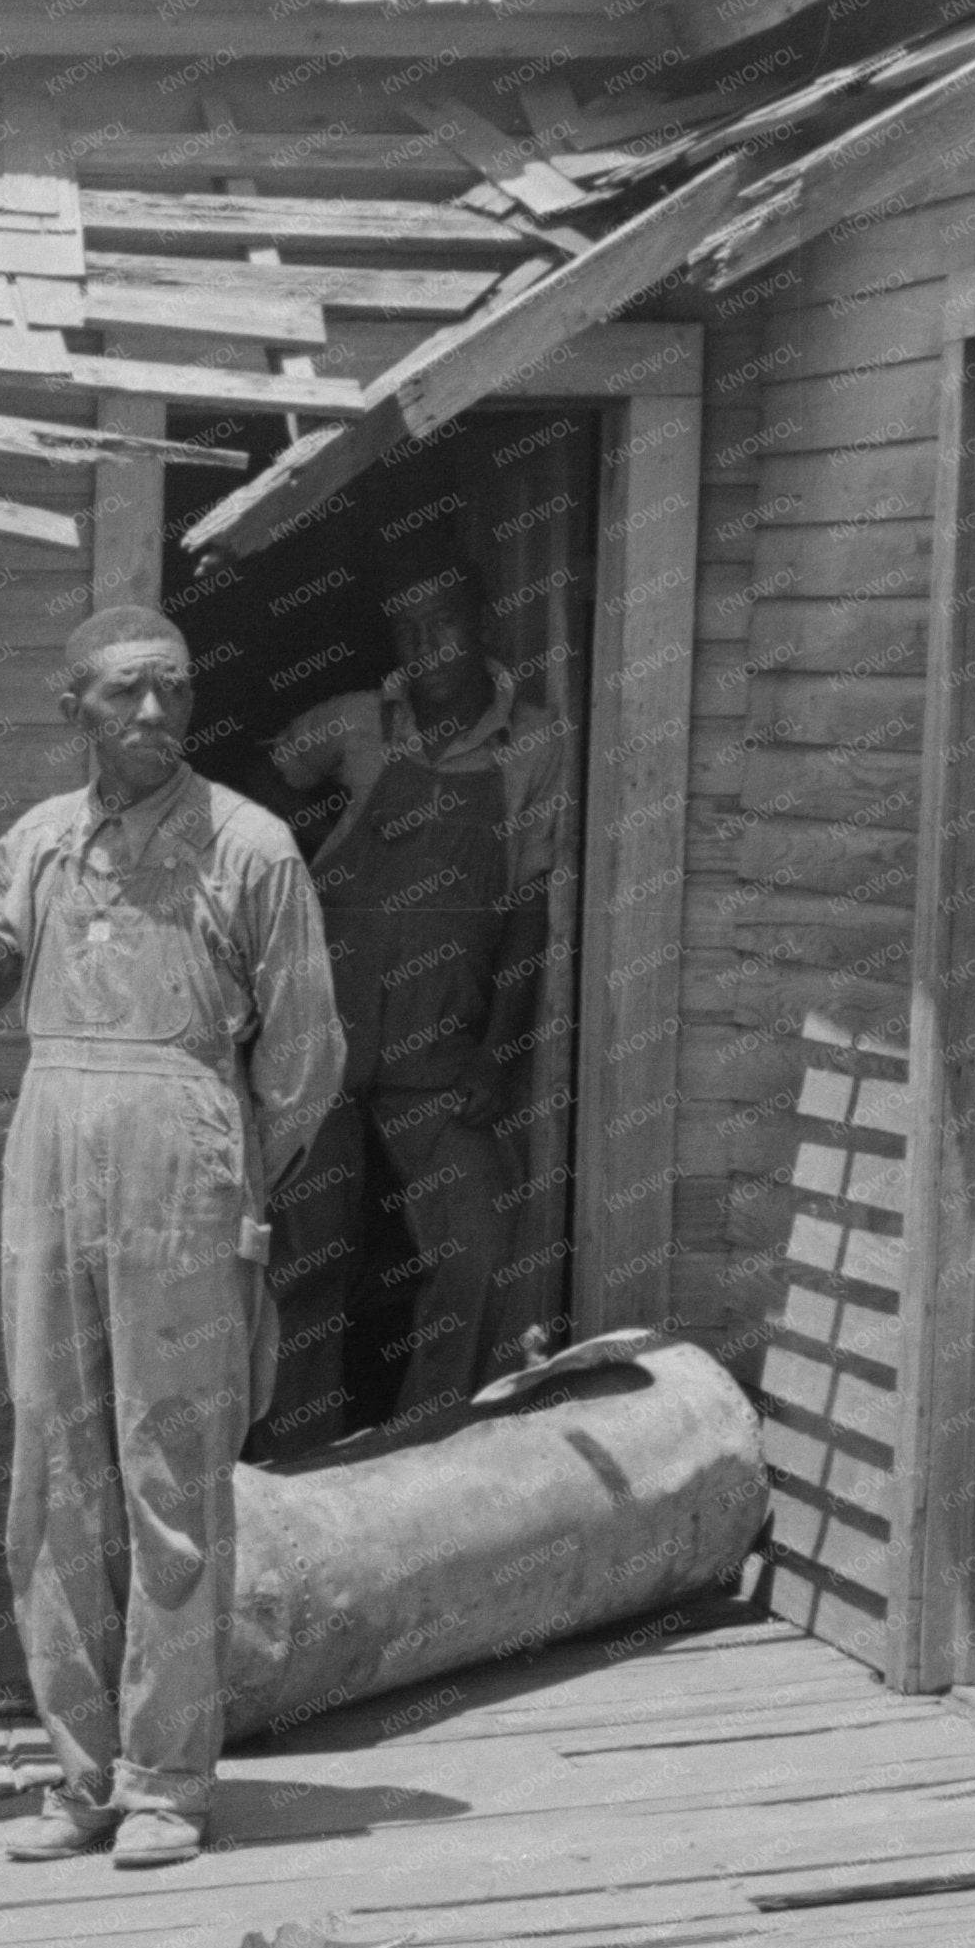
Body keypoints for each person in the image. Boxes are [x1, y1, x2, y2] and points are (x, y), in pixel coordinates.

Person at [0, 606, 342, 1868]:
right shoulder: (38, 849)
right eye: (124, 695)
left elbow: (306, 1056)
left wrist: (230, 1183)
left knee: (171, 1476)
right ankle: (81, 1778)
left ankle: (168, 1779)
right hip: (48, 1148)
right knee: (52, 1479)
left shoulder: (252, 849)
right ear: (74, 710)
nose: (153, 716)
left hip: (185, 1162)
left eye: (172, 692)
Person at [253, 565, 556, 1451]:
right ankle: (298, 1461)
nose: (427, 651)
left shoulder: (534, 745)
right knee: (307, 1259)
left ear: (482, 626)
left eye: (444, 627)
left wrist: (502, 1054)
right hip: (324, 1039)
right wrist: (298, 851)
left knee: (480, 1247)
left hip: (440, 1048)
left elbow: (529, 908)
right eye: (409, 631)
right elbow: (266, 777)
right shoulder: (356, 722)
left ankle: (430, 1448)